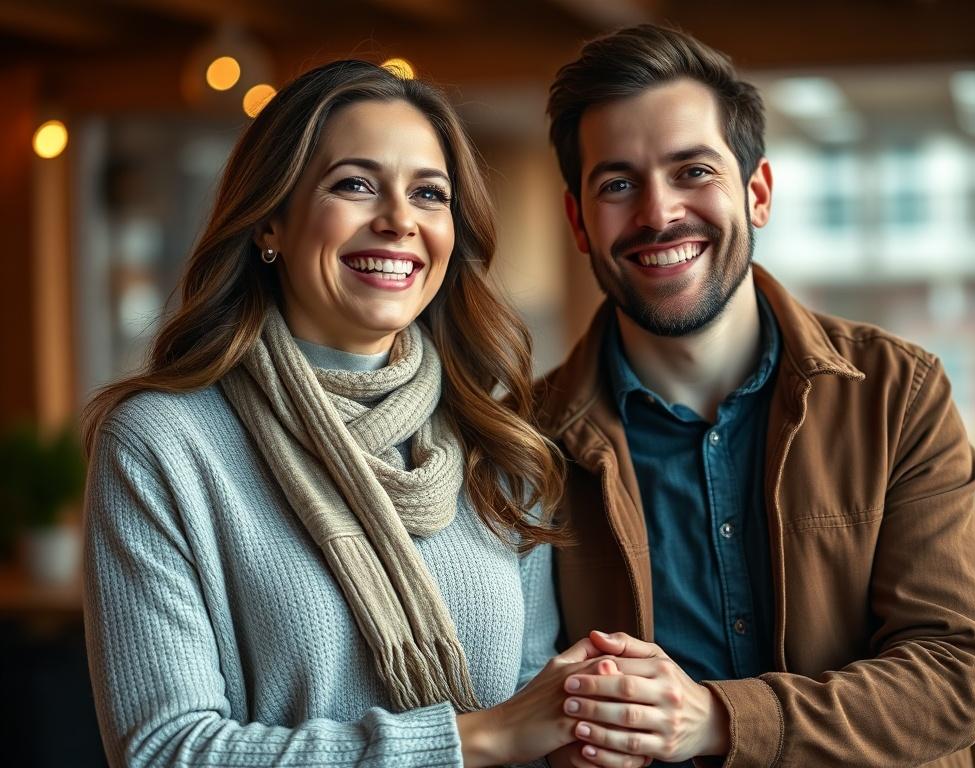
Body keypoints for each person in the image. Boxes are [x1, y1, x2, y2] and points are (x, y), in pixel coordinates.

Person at [81, 59, 609, 767]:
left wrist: (585, 724)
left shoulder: (497, 438)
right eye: (354, 185)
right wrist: (470, 740)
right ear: (271, 220)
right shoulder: (164, 443)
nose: (398, 221)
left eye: (428, 193)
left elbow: (526, 706)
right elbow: (164, 751)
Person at [536, 24, 975, 768]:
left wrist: (717, 718)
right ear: (578, 222)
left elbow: (955, 676)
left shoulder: (897, 393)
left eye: (693, 171)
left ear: (756, 193)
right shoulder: (522, 441)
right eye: (619, 184)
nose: (659, 214)